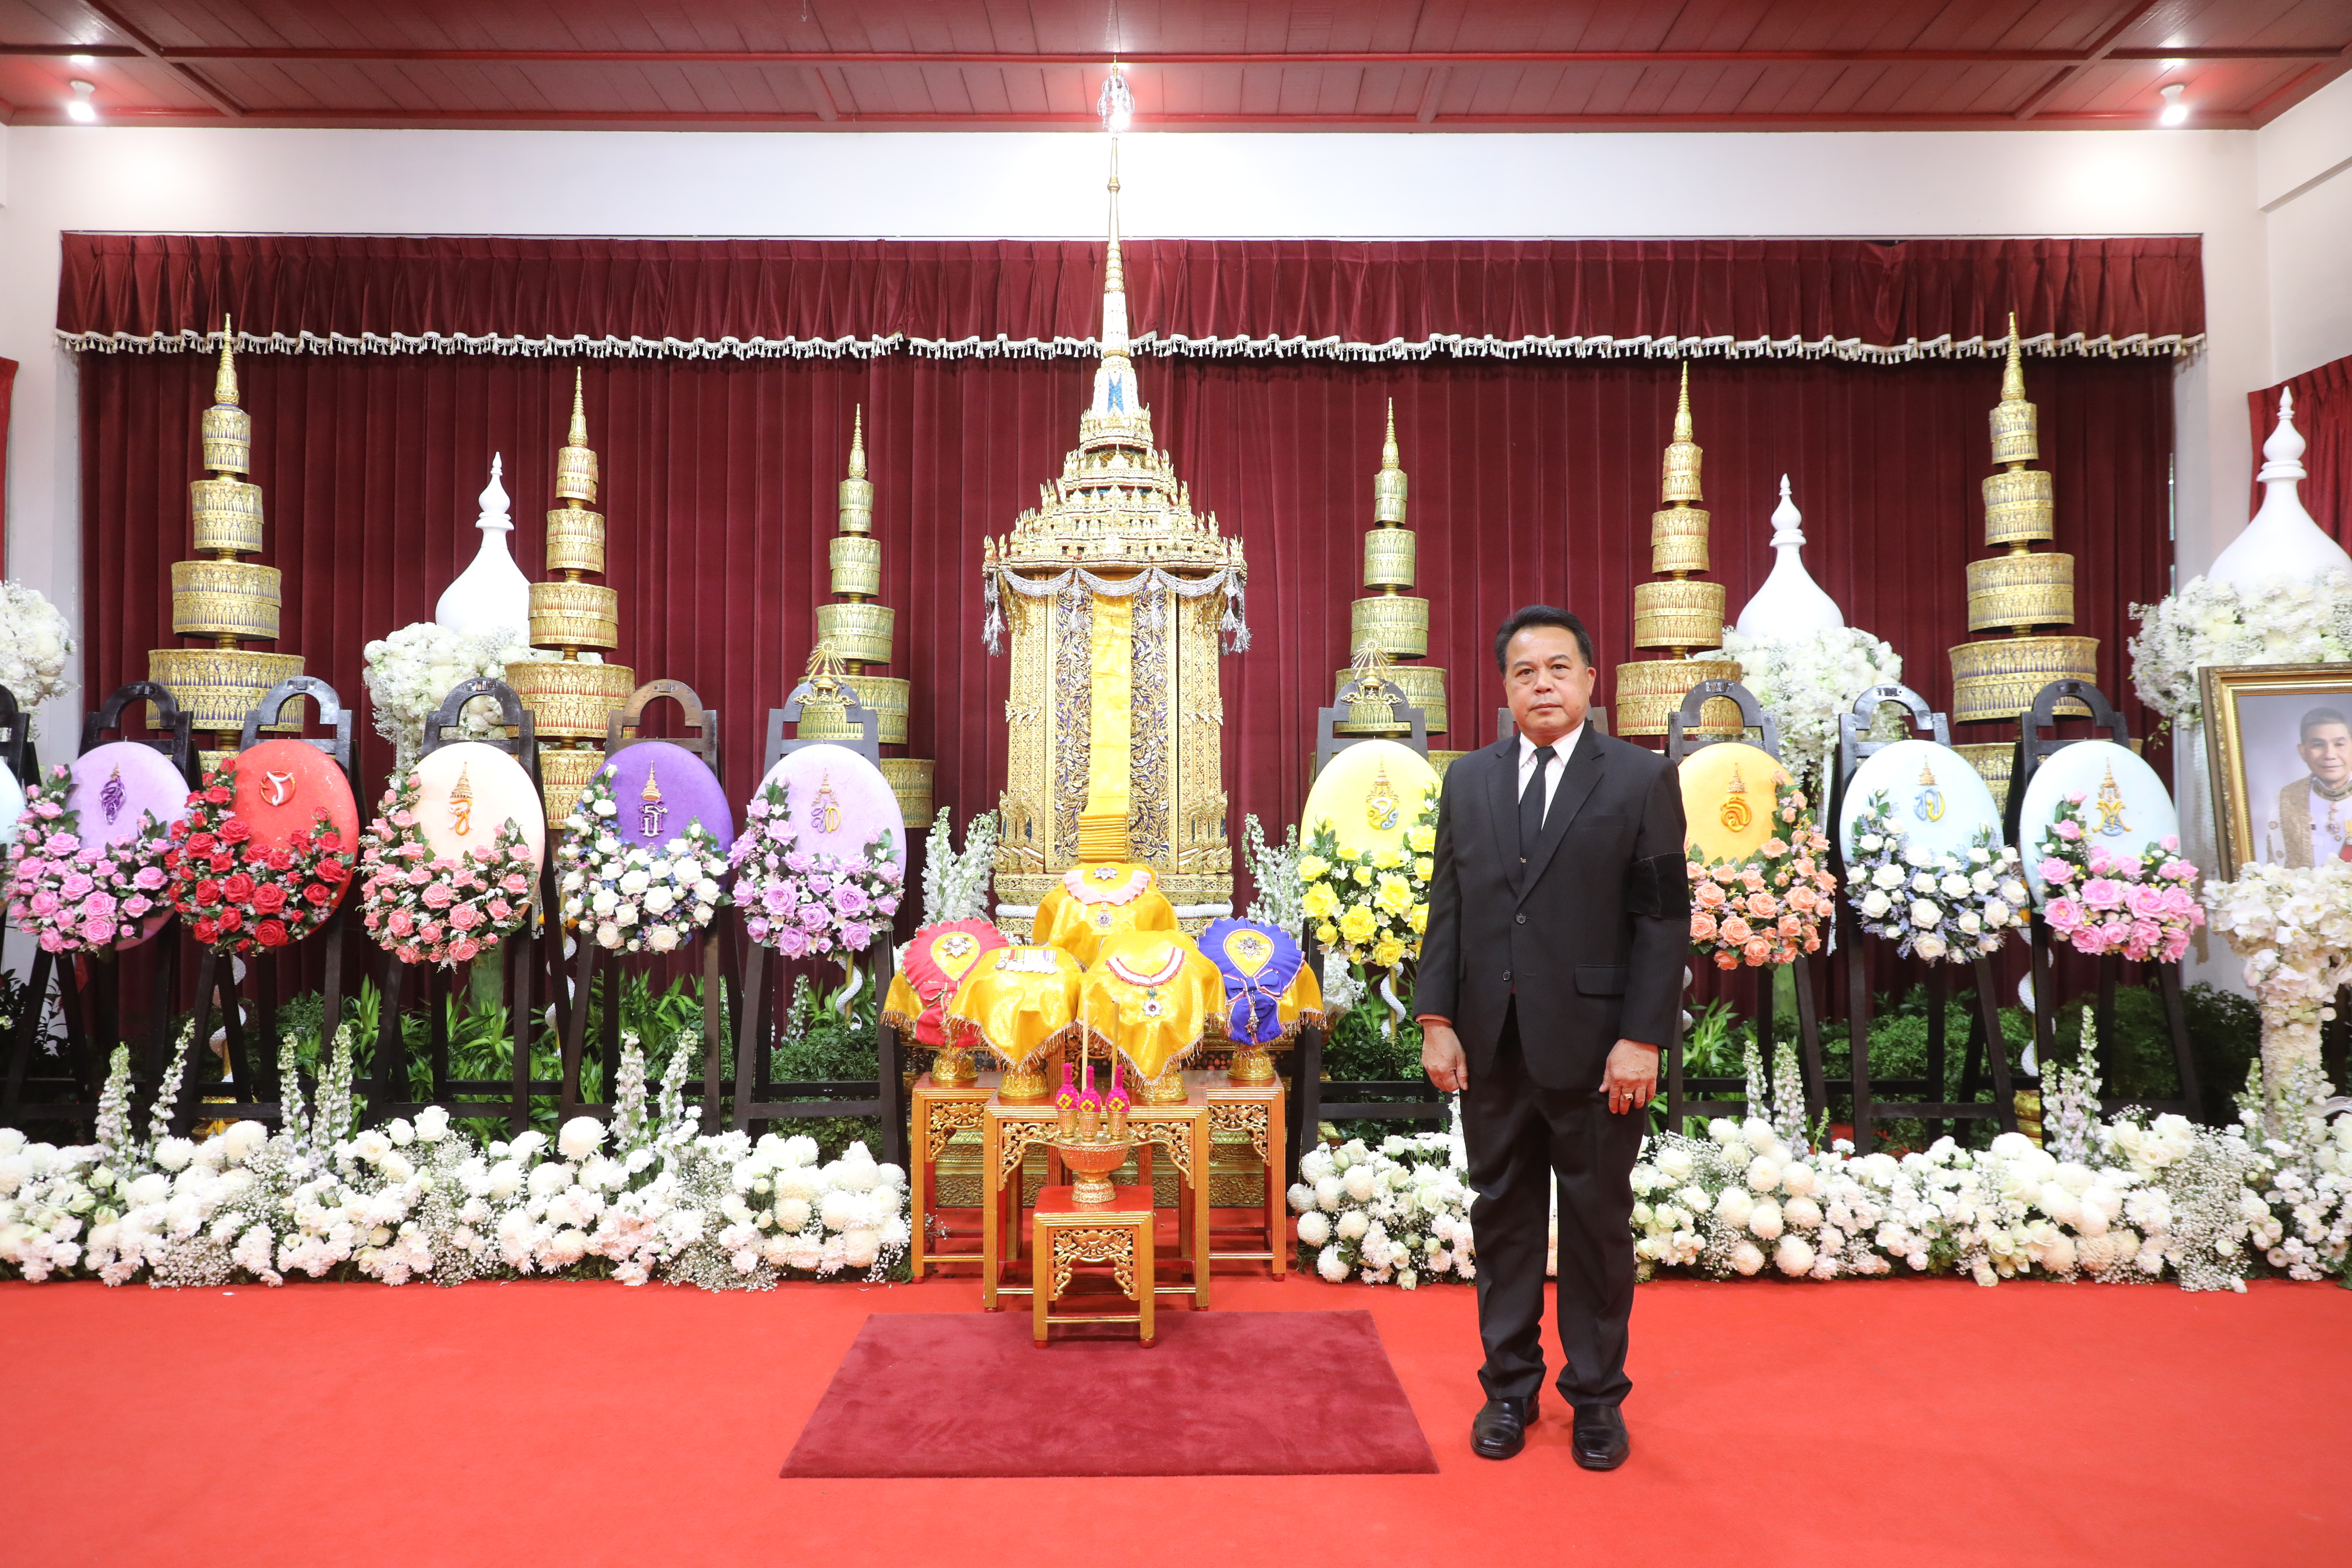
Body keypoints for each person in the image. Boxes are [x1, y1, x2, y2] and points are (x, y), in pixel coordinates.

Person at [1414, 605, 1688, 1469]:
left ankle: (1597, 1399)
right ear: (1503, 687)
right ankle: (1507, 1389)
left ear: (1588, 680)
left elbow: (1660, 919)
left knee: (1598, 1225)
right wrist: (1435, 1020)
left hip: (1599, 1048)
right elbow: (1446, 911)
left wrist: (1641, 1036)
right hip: (1491, 1044)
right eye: (1524, 671)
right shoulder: (1468, 781)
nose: (1542, 683)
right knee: (1501, 1221)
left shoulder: (1639, 779)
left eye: (1558, 668)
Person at [2266, 707, 2352, 868]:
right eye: (2318, 745)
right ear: (2303, 752)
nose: (2329, 754)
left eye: (2339, 744)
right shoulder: (2285, 799)